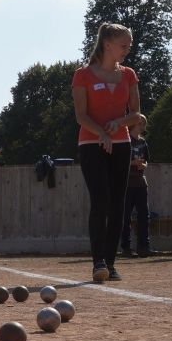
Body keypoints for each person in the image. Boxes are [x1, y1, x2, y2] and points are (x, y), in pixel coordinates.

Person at [72, 22, 143, 282]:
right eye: (124, 45)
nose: (127, 49)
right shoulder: (82, 75)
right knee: (100, 200)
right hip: (91, 145)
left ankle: (110, 264)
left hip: (121, 144)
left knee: (117, 205)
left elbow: (136, 114)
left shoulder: (129, 75)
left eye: (129, 45)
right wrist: (101, 133)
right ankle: (98, 262)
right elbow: (81, 116)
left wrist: (118, 123)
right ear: (107, 44)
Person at [120, 116, 152, 258]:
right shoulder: (125, 141)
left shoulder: (143, 142)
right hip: (127, 183)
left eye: (144, 124)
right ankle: (126, 248)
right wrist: (133, 163)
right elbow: (120, 161)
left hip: (140, 182)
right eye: (141, 124)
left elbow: (146, 161)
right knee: (125, 216)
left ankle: (144, 247)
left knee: (144, 215)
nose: (143, 127)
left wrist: (143, 165)